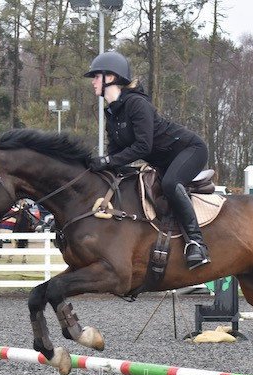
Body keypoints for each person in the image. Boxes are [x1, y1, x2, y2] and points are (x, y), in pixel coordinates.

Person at [84, 51, 210, 270]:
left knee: (170, 184)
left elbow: (143, 146)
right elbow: (115, 157)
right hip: (164, 161)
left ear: (110, 78)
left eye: (96, 76)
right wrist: (100, 167)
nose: (93, 82)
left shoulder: (136, 104)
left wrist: (106, 161)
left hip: (191, 149)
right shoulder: (112, 114)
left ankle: (197, 244)